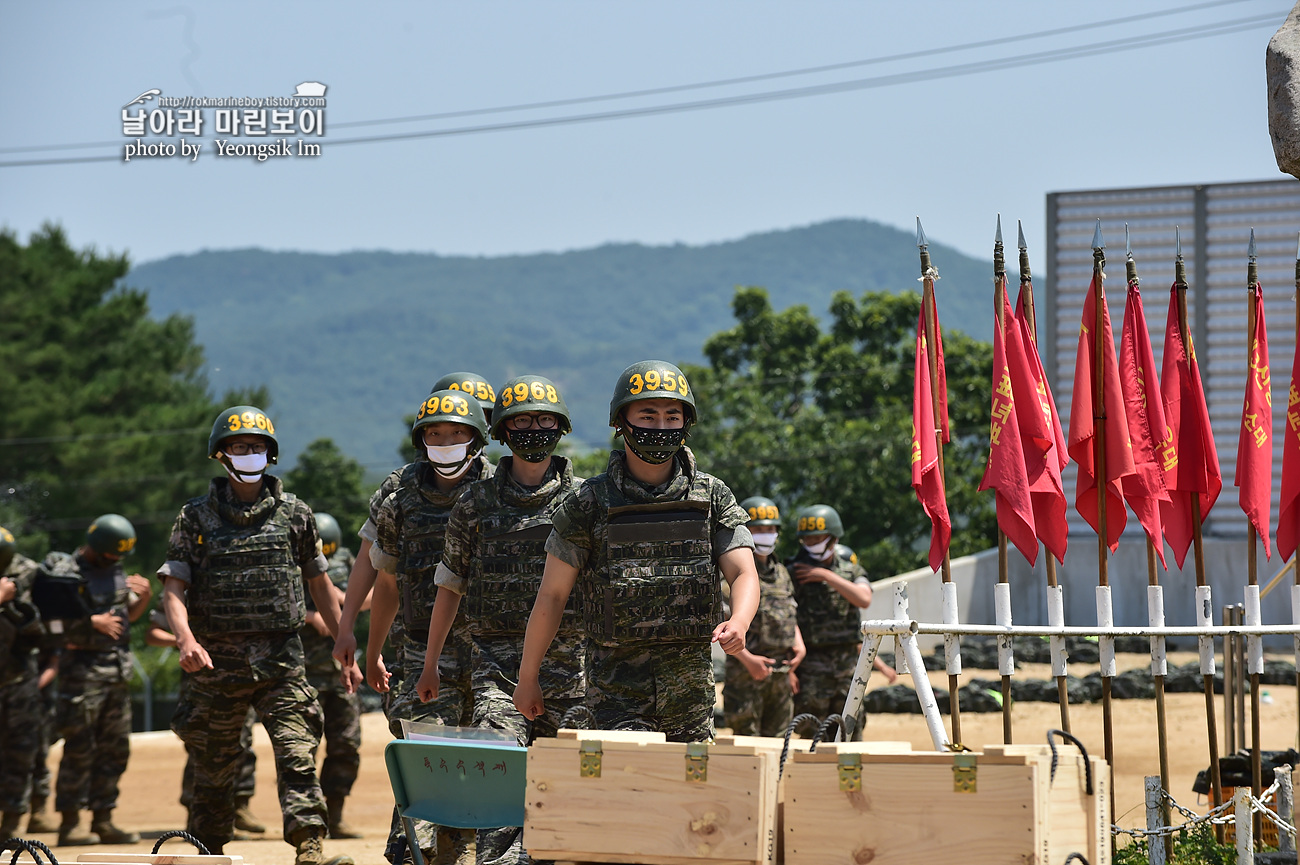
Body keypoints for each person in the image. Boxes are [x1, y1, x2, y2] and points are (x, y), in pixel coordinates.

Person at [514, 360, 760, 742]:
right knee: (629, 795)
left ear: (686, 423)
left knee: (690, 799)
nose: (661, 427)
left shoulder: (711, 495)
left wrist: (740, 621)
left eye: (671, 416)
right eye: (648, 414)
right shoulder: (589, 502)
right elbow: (553, 594)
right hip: (615, 698)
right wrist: (528, 678)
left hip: (690, 697)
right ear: (620, 422)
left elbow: (743, 572)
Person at [158, 405, 351, 865]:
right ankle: (209, 851)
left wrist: (346, 641)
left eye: (258, 446)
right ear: (221, 454)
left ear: (271, 454)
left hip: (282, 662)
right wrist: (185, 639)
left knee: (297, 753)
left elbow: (319, 583)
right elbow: (173, 588)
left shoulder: (296, 514)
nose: (250, 454)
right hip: (215, 665)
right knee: (214, 767)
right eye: (240, 446)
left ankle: (309, 847)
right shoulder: (194, 518)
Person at [416, 375, 583, 865]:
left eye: (544, 420)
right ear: (503, 431)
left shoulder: (583, 500)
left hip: (572, 667)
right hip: (494, 666)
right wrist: (431, 664)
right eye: (522, 421)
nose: (534, 430)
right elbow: (450, 587)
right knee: (501, 774)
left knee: (564, 787)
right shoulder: (475, 503)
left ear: (561, 427)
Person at [368, 390, 493, 865]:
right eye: (435, 434)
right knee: (425, 754)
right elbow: (386, 583)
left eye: (456, 433)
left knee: (480, 759)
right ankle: (417, 850)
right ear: (421, 441)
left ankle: (457, 850)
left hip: (488, 649)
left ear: (476, 438)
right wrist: (371, 650)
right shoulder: (400, 502)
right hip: (420, 650)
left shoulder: (498, 493)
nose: (446, 442)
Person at [333, 371, 496, 701]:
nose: (453, 434)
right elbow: (374, 565)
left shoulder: (498, 488)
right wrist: (348, 627)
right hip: (416, 641)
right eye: (440, 427)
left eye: (477, 416)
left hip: (490, 648)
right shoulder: (399, 491)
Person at [33, 514, 151, 846]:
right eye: (109, 556)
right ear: (94, 547)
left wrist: (143, 598)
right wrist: (91, 623)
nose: (114, 561)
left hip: (116, 673)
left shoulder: (113, 570)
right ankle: (70, 824)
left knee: (115, 750)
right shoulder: (64, 575)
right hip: (80, 676)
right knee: (80, 749)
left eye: (119, 557)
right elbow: (49, 625)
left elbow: (124, 619)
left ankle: (104, 819)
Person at [145, 609, 265, 838]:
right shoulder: (186, 585)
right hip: (201, 679)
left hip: (241, 675)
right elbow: (152, 634)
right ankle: (200, 816)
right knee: (203, 744)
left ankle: (236, 810)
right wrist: (186, 641)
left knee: (242, 742)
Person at [786, 505, 881, 722]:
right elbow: (786, 617)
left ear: (833, 538)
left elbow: (864, 598)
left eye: (818, 538)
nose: (812, 544)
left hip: (848, 662)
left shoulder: (851, 570)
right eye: (807, 539)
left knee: (850, 723)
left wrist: (826, 576)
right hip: (811, 661)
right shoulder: (794, 571)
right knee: (811, 724)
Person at [722, 497, 805, 737]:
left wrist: (798, 646)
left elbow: (789, 610)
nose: (765, 535)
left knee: (779, 743)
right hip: (746, 675)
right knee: (747, 746)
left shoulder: (781, 572)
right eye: (758, 529)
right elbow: (723, 626)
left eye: (770, 529)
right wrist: (748, 661)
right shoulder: (734, 574)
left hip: (780, 673)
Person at [305, 512, 364, 839]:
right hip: (305, 672)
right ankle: (309, 818)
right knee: (304, 748)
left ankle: (336, 814)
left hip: (341, 668)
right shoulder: (297, 558)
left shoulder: (344, 558)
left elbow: (356, 593)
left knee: (346, 743)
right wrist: (311, 615)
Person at [0, 526, 46, 838]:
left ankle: (11, 826)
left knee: (21, 753)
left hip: (17, 681)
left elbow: (41, 633)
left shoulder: (26, 576)